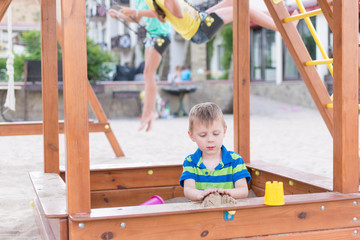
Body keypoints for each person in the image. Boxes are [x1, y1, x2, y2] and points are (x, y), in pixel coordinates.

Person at [108, 0, 171, 132]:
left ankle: (149, 112)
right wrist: (118, 14)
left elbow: (161, 13)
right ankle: (150, 113)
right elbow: (135, 18)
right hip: (150, 36)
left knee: (149, 73)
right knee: (147, 74)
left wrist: (136, 11)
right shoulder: (138, 1)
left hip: (161, 34)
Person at [180, 102, 251, 201]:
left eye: (216, 133)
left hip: (228, 212)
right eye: (203, 135)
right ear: (192, 135)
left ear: (224, 131)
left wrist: (228, 192)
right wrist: (201, 194)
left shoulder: (235, 160)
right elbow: (188, 190)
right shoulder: (190, 162)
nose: (210, 140)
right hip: (199, 212)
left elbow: (243, 190)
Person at [140, 0, 279, 44]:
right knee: (243, 9)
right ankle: (280, 27)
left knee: (234, 1)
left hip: (200, 19)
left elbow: (161, 16)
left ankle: (274, 17)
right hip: (199, 29)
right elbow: (179, 14)